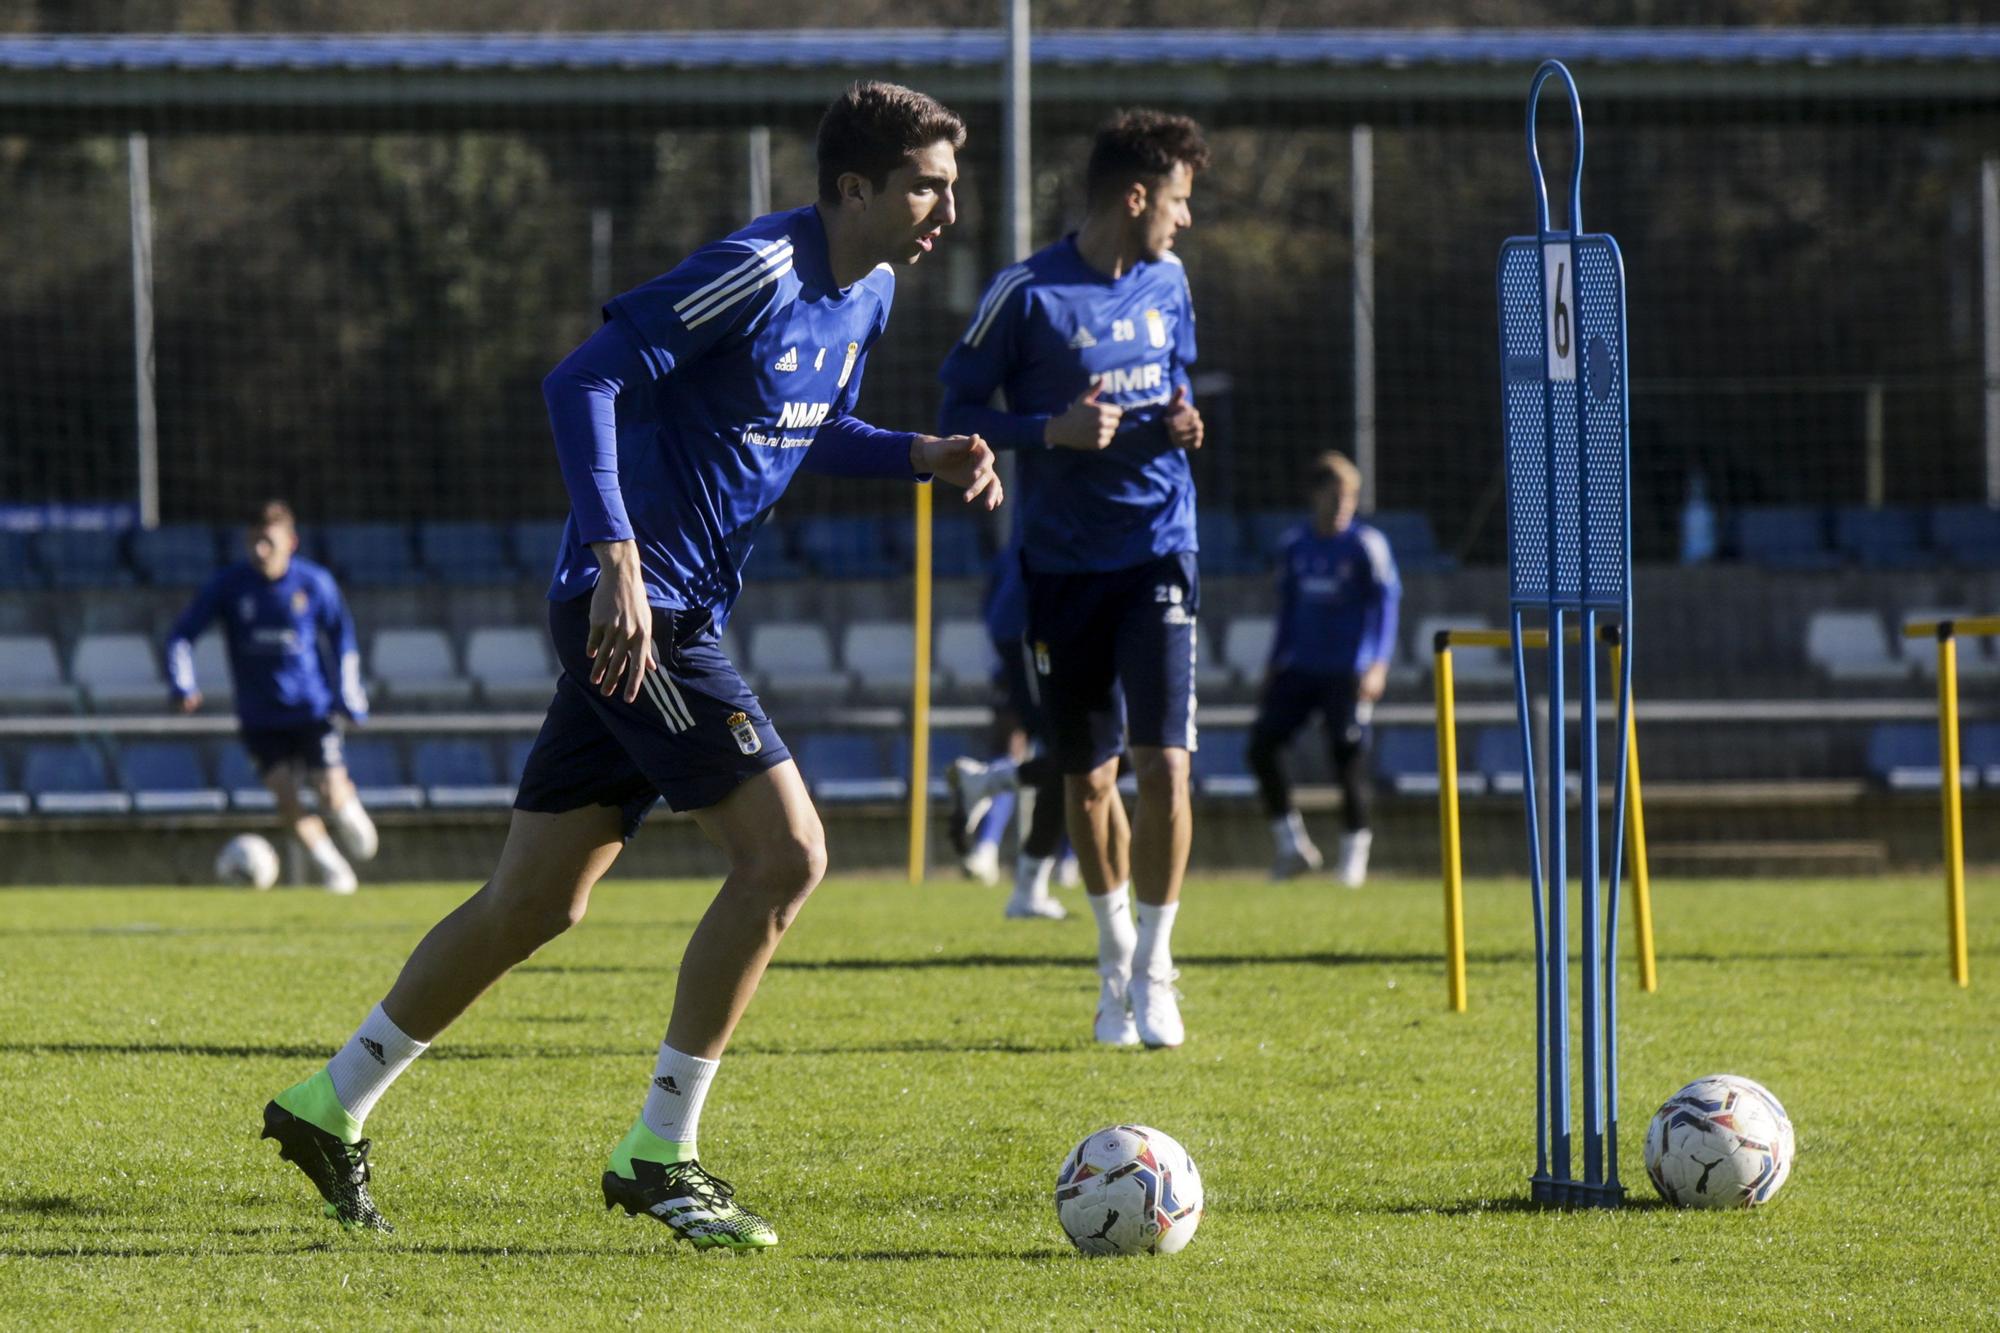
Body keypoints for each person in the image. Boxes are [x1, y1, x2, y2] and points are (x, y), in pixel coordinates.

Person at [259, 82, 998, 1247]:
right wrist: (617, 559)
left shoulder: (872, 293)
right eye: (926, 186)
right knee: (787, 856)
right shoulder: (754, 269)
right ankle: (661, 1153)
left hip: (662, 616)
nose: (946, 211)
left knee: (535, 900)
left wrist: (921, 454)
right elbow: (581, 379)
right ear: (853, 187)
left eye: (950, 188)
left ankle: (325, 1103)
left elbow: (808, 428)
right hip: (639, 616)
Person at [939, 110, 1209, 1049]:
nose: (1184, 221)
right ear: (1135, 196)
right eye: (1177, 200)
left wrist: (1182, 421)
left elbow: (1178, 383)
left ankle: (1158, 968)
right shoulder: (1025, 293)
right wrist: (1045, 431)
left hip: (1159, 550)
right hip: (1061, 567)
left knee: (1165, 765)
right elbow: (955, 405)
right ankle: (1113, 961)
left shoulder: (1171, 281)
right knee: (1087, 783)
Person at [165, 499, 377, 893]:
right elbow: (182, 635)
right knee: (285, 794)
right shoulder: (230, 585)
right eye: (254, 542)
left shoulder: (314, 584)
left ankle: (346, 808)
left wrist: (349, 694)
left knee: (330, 791)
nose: (260, 551)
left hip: (311, 709)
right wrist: (183, 684)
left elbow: (342, 638)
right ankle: (334, 870)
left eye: (269, 542)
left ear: (290, 542)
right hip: (259, 716)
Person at [1247, 452, 1401, 886]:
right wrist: (1273, 664)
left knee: (1346, 757)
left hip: (1347, 671)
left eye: (1350, 498)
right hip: (1300, 668)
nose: (1342, 507)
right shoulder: (1295, 547)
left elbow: (1386, 607)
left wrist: (1378, 665)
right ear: (1315, 496)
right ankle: (1290, 844)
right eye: (1335, 497)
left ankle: (1354, 856)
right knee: (1260, 747)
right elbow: (1288, 611)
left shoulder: (1366, 545)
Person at [946, 544, 1084, 919]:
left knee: (1096, 758)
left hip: (1079, 625)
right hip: (1039, 629)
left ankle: (990, 783)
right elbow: (996, 608)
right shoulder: (1039, 534)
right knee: (1075, 756)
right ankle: (1028, 879)